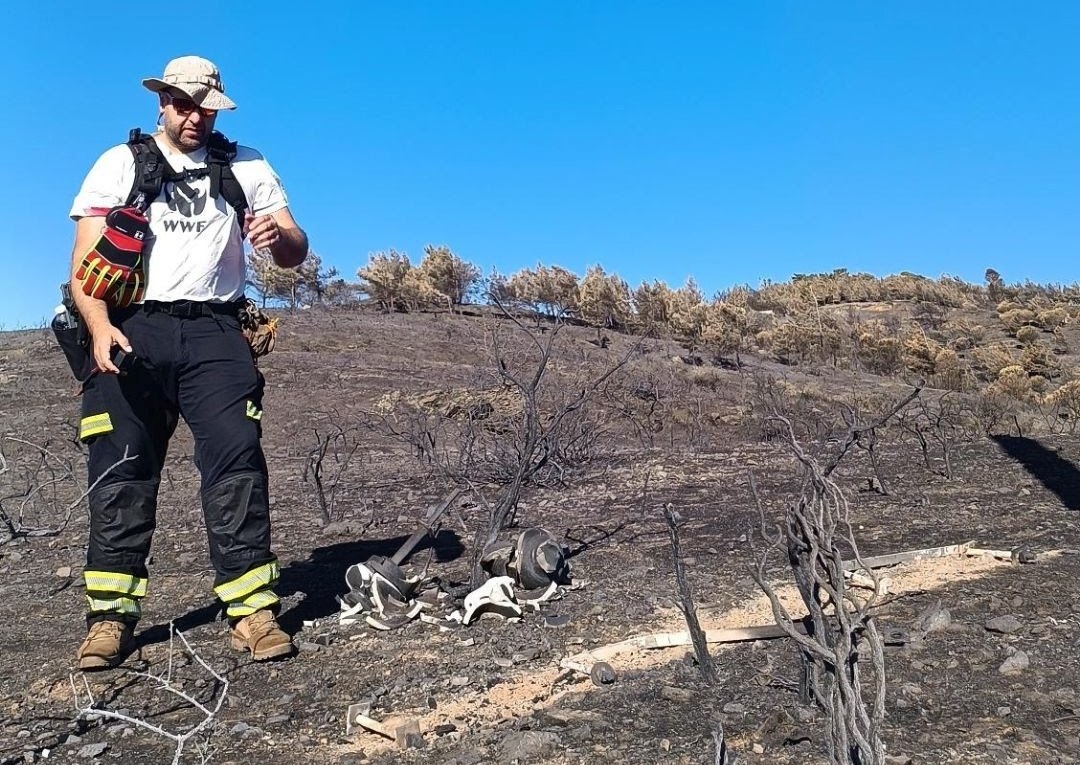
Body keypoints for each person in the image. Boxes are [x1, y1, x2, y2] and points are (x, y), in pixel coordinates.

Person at [67, 55, 308, 669]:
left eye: (206, 107)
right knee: (121, 472)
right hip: (132, 329)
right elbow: (84, 268)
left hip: (216, 332)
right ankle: (108, 620)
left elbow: (295, 249)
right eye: (184, 105)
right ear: (162, 102)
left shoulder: (245, 164)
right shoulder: (119, 164)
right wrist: (98, 331)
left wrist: (276, 239)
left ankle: (252, 613)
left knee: (237, 463)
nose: (195, 117)